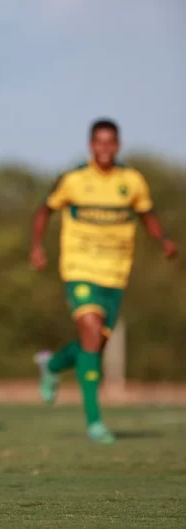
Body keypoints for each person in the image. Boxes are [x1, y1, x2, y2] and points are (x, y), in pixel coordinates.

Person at [31, 118, 177, 444]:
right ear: (91, 146)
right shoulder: (73, 180)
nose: (105, 148)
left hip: (116, 275)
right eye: (99, 142)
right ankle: (95, 421)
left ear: (117, 146)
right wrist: (37, 247)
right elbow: (44, 211)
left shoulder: (132, 181)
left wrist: (163, 240)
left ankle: (52, 365)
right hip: (79, 269)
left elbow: (147, 214)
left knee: (93, 346)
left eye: (111, 142)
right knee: (91, 333)